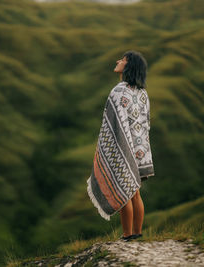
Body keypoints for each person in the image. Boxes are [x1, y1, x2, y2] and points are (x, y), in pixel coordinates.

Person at [87, 50, 154, 241]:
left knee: (124, 190)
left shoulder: (118, 91)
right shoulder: (143, 93)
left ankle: (127, 235)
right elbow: (146, 122)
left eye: (123, 60)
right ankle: (137, 232)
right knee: (135, 192)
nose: (118, 61)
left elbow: (111, 123)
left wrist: (111, 147)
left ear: (128, 66)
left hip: (123, 147)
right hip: (139, 148)